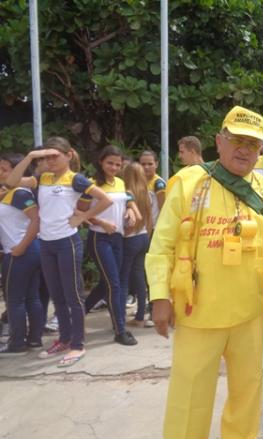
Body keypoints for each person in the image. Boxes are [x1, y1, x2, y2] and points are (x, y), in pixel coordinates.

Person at [145, 105, 263, 439]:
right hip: (198, 311)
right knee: (190, 394)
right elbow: (162, 243)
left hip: (249, 312)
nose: (244, 149)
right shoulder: (189, 182)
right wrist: (160, 297)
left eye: (252, 144)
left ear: (261, 150)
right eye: (236, 140)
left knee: (247, 391)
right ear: (218, 142)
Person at [6, 137, 112, 367]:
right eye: (47, 156)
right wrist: (31, 157)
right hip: (46, 243)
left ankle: (77, 344)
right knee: (57, 296)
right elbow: (12, 182)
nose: (50, 160)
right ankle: (64, 339)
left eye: (55, 155)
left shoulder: (75, 179)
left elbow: (105, 200)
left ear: (68, 155)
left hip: (67, 243)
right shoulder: (42, 177)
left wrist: (82, 217)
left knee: (72, 296)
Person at [82, 145, 139, 346]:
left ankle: (79, 313)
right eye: (110, 163)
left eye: (117, 164)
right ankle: (120, 330)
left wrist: (131, 211)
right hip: (100, 239)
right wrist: (101, 222)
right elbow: (80, 214)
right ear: (101, 162)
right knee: (114, 285)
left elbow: (127, 201)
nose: (114, 167)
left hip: (117, 239)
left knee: (106, 283)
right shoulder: (91, 184)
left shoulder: (121, 182)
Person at [0, 154, 43, 356]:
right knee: (31, 298)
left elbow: (36, 221)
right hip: (26, 251)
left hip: (20, 252)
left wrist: (20, 247)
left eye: (5, 169)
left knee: (15, 300)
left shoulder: (19, 193)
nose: (1, 173)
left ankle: (17, 344)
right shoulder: (9, 193)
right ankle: (34, 340)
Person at [122, 162, 153, 328]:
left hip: (130, 239)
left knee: (124, 278)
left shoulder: (126, 193)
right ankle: (141, 315)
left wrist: (124, 234)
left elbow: (128, 222)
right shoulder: (146, 193)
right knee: (140, 278)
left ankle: (119, 317)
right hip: (143, 238)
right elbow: (148, 219)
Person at [139, 150, 166, 226]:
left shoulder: (158, 183)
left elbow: (163, 209)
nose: (146, 167)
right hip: (141, 228)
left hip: (153, 228)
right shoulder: (138, 181)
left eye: (150, 164)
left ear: (156, 164)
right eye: (143, 164)